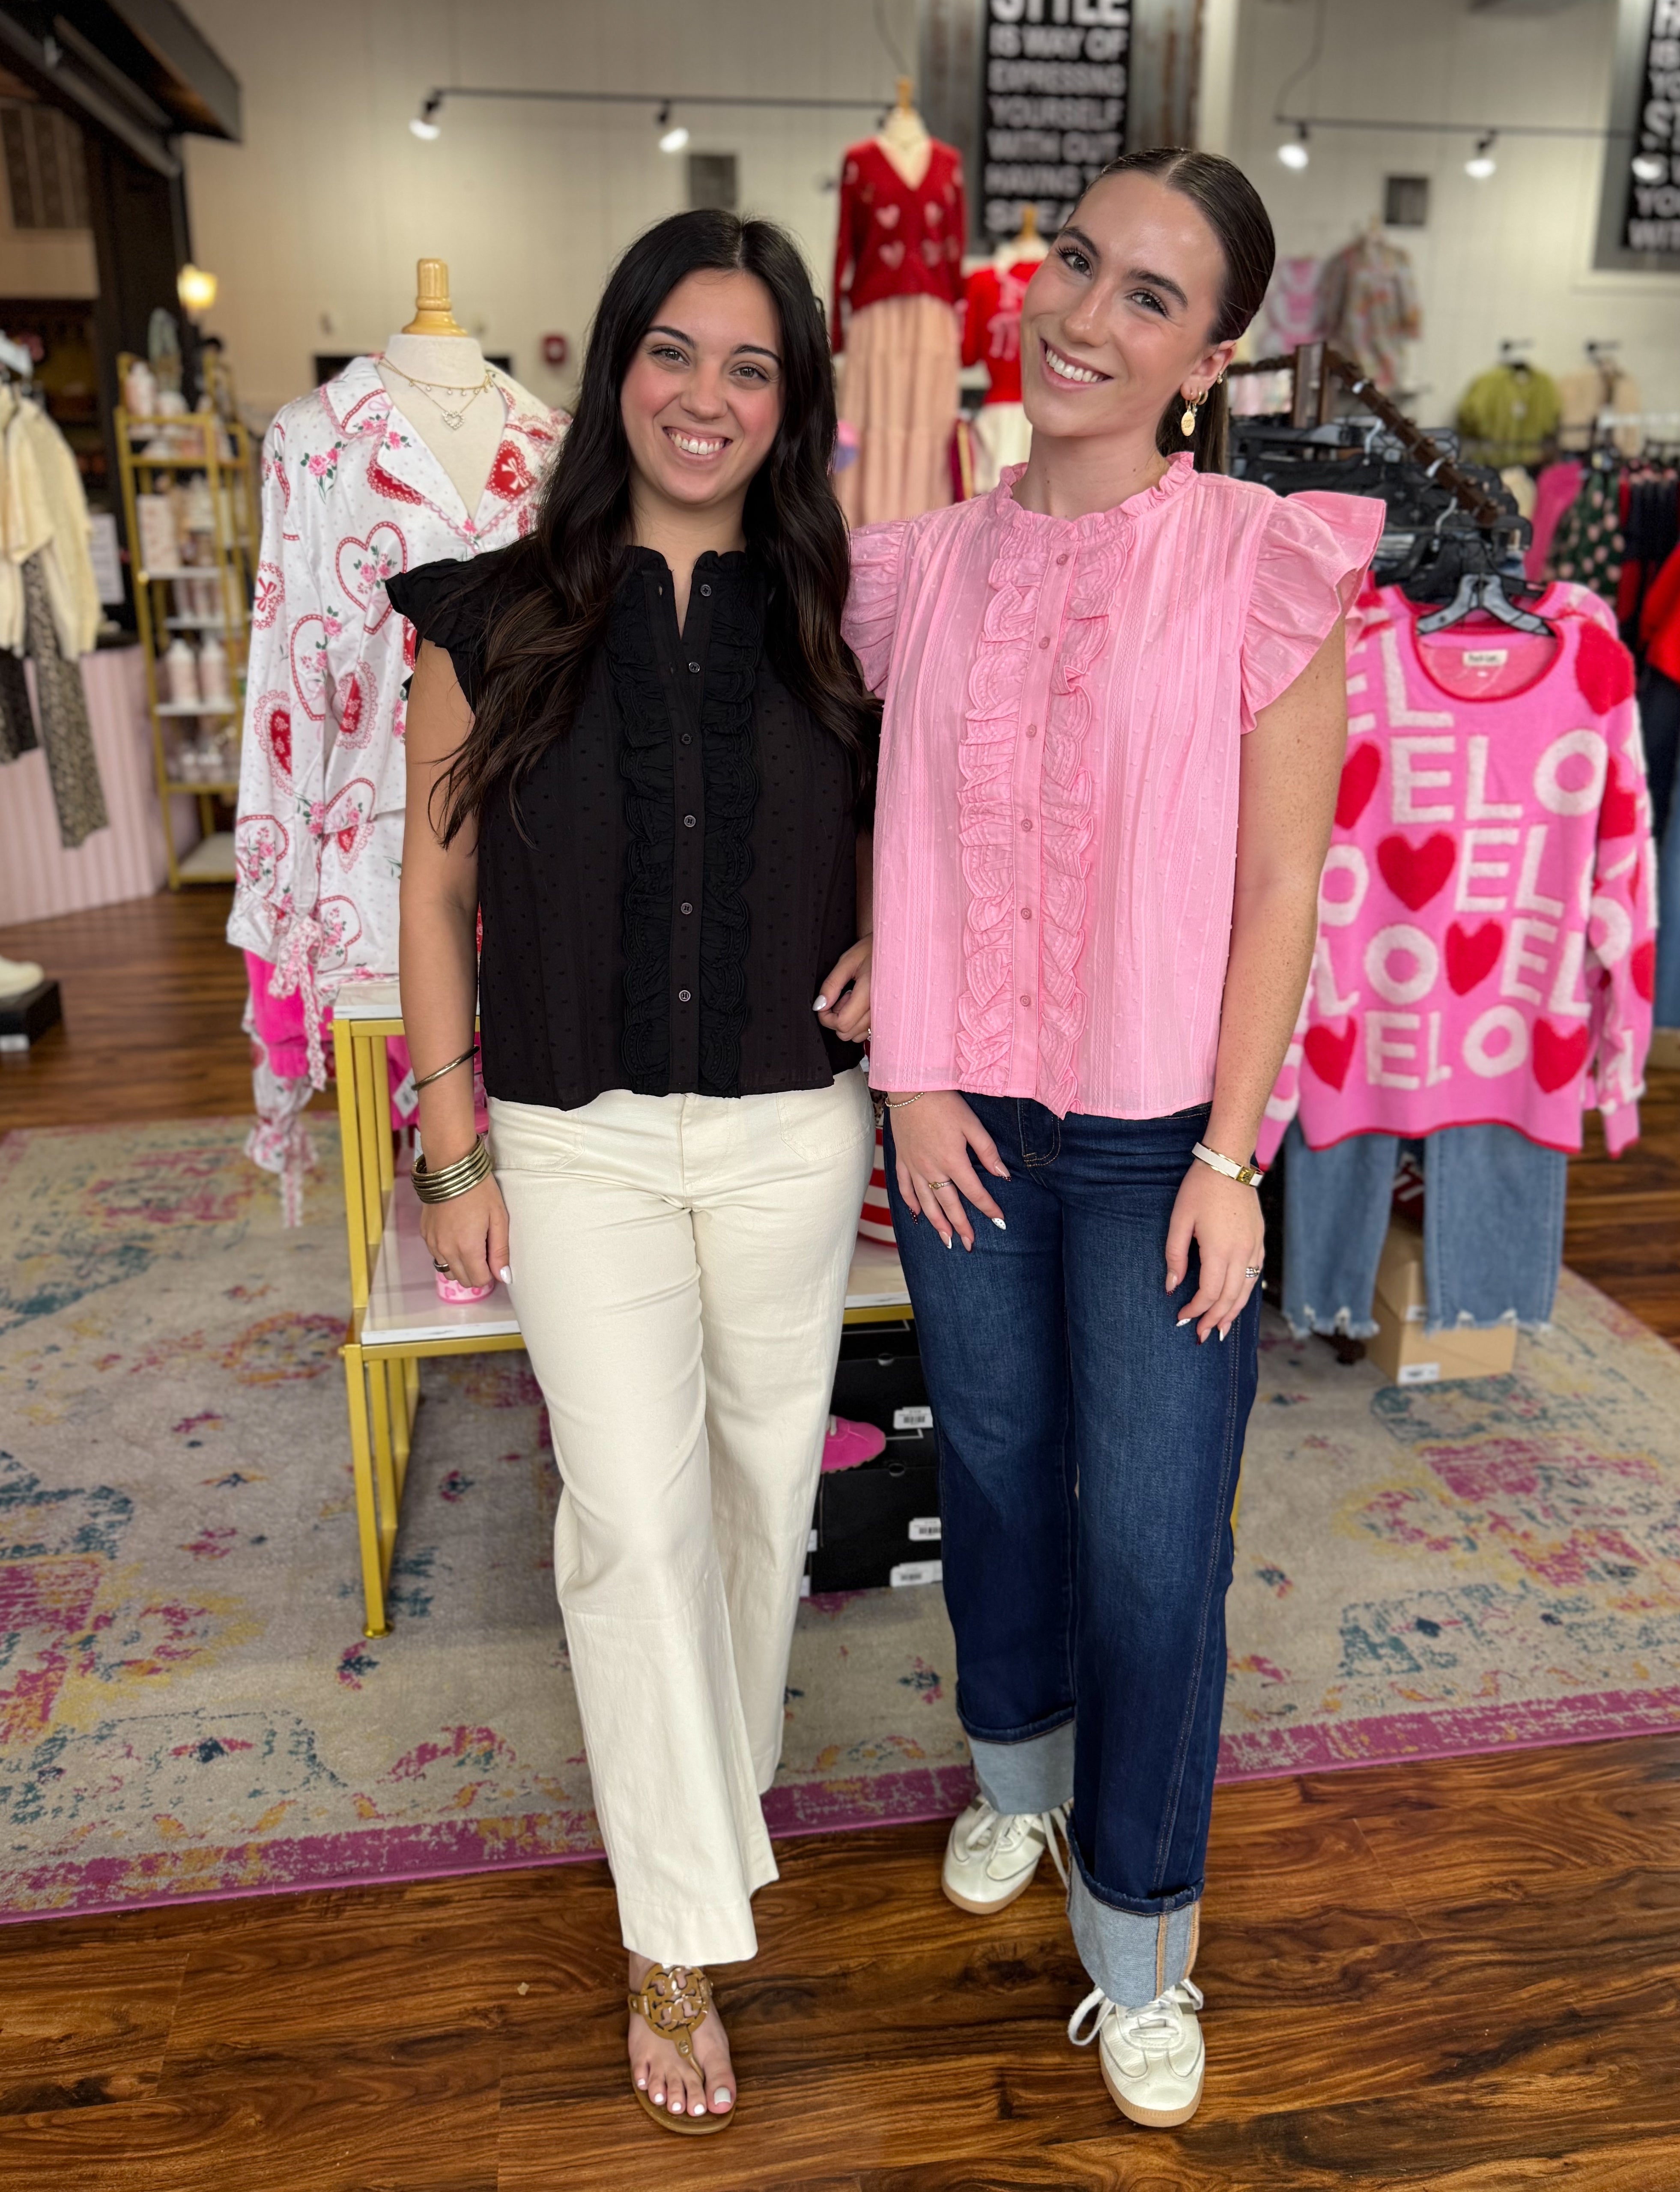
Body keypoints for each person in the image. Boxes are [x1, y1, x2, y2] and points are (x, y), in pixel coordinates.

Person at [845, 149, 1382, 2129]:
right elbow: (893, 819)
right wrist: (909, 1063)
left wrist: (1234, 1158)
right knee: (992, 1471)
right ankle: (1012, 1767)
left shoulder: (1261, 558)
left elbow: (1280, 883)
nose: (1082, 314)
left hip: (1165, 1136)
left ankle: (1143, 1932)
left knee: (1156, 1543)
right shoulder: (914, 561)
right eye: (1075, 262)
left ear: (1208, 358)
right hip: (959, 1114)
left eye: (1148, 295)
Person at [390, 209, 879, 2137]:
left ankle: (701, 1806)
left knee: (763, 1502)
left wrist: (906, 946)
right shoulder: (490, 614)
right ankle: (673, 1936)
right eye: (674, 350)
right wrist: (449, 1141)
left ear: (791, 403)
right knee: (630, 1521)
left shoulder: (847, 617)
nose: (705, 395)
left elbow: (927, 839)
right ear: (615, 367)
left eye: (751, 366)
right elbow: (432, 890)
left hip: (787, 1130)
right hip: (572, 1136)